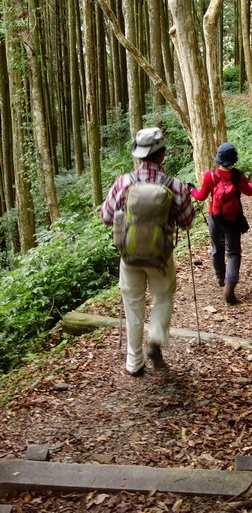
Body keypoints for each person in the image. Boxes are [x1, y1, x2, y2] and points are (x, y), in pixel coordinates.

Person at [100, 127, 195, 377]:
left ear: (140, 156)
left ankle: (134, 362)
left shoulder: (124, 182)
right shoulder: (175, 185)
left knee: (133, 305)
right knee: (163, 296)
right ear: (162, 154)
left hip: (129, 256)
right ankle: (155, 338)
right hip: (161, 257)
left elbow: (106, 217)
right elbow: (187, 222)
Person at [188, 143, 252, 305]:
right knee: (233, 252)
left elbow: (200, 196)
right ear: (234, 160)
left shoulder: (210, 176)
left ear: (219, 159)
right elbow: (250, 191)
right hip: (232, 219)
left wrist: (191, 189)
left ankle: (220, 277)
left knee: (217, 248)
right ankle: (229, 286)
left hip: (215, 217)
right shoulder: (238, 176)